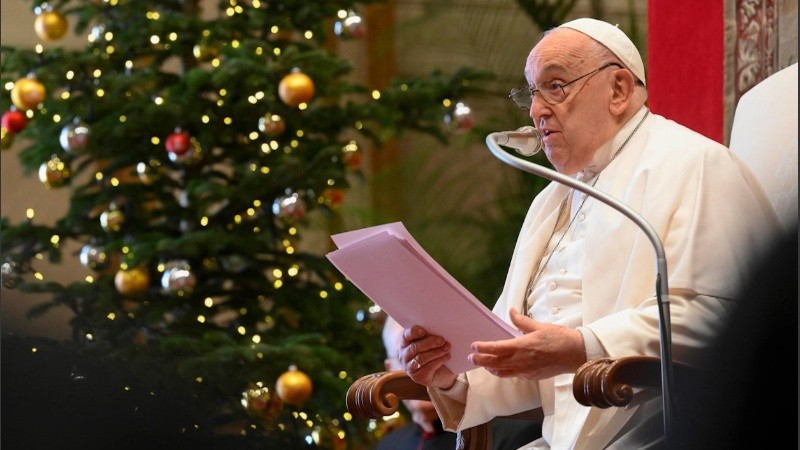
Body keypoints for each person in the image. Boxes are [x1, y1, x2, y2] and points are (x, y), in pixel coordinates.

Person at [396, 17, 780, 449]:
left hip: (668, 429)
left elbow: (728, 319)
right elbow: (519, 356)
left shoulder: (697, 164)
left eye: (555, 87)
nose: (537, 110)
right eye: (531, 93)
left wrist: (584, 346)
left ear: (617, 90)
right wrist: (449, 377)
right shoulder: (552, 200)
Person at [377, 315, 542, 450]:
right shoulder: (388, 446)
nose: (422, 369)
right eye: (408, 356)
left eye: (431, 352)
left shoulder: (515, 435)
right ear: (389, 368)